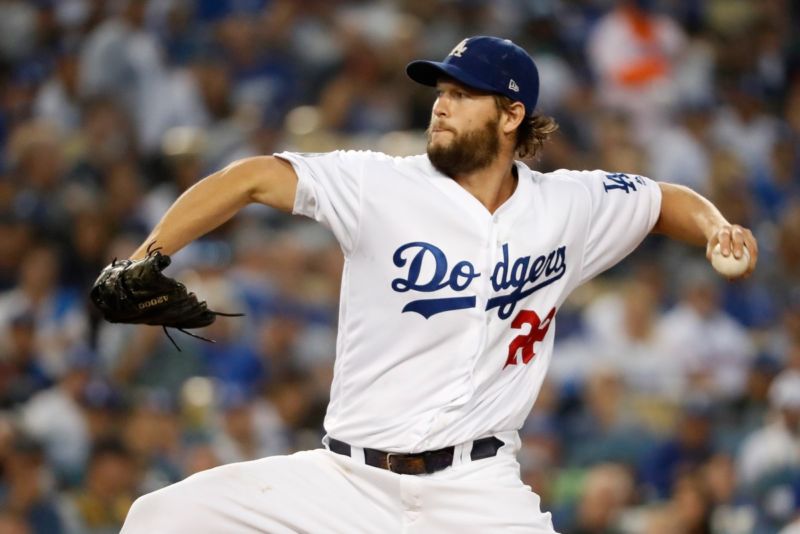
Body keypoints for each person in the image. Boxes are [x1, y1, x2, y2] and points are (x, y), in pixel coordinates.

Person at [116, 36, 757, 533]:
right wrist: (145, 257)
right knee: (158, 518)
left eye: (462, 93)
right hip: (346, 480)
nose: (441, 104)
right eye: (439, 90)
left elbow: (660, 200)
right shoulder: (380, 184)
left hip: (476, 490)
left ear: (511, 115)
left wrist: (717, 227)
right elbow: (254, 176)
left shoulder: (570, 205)